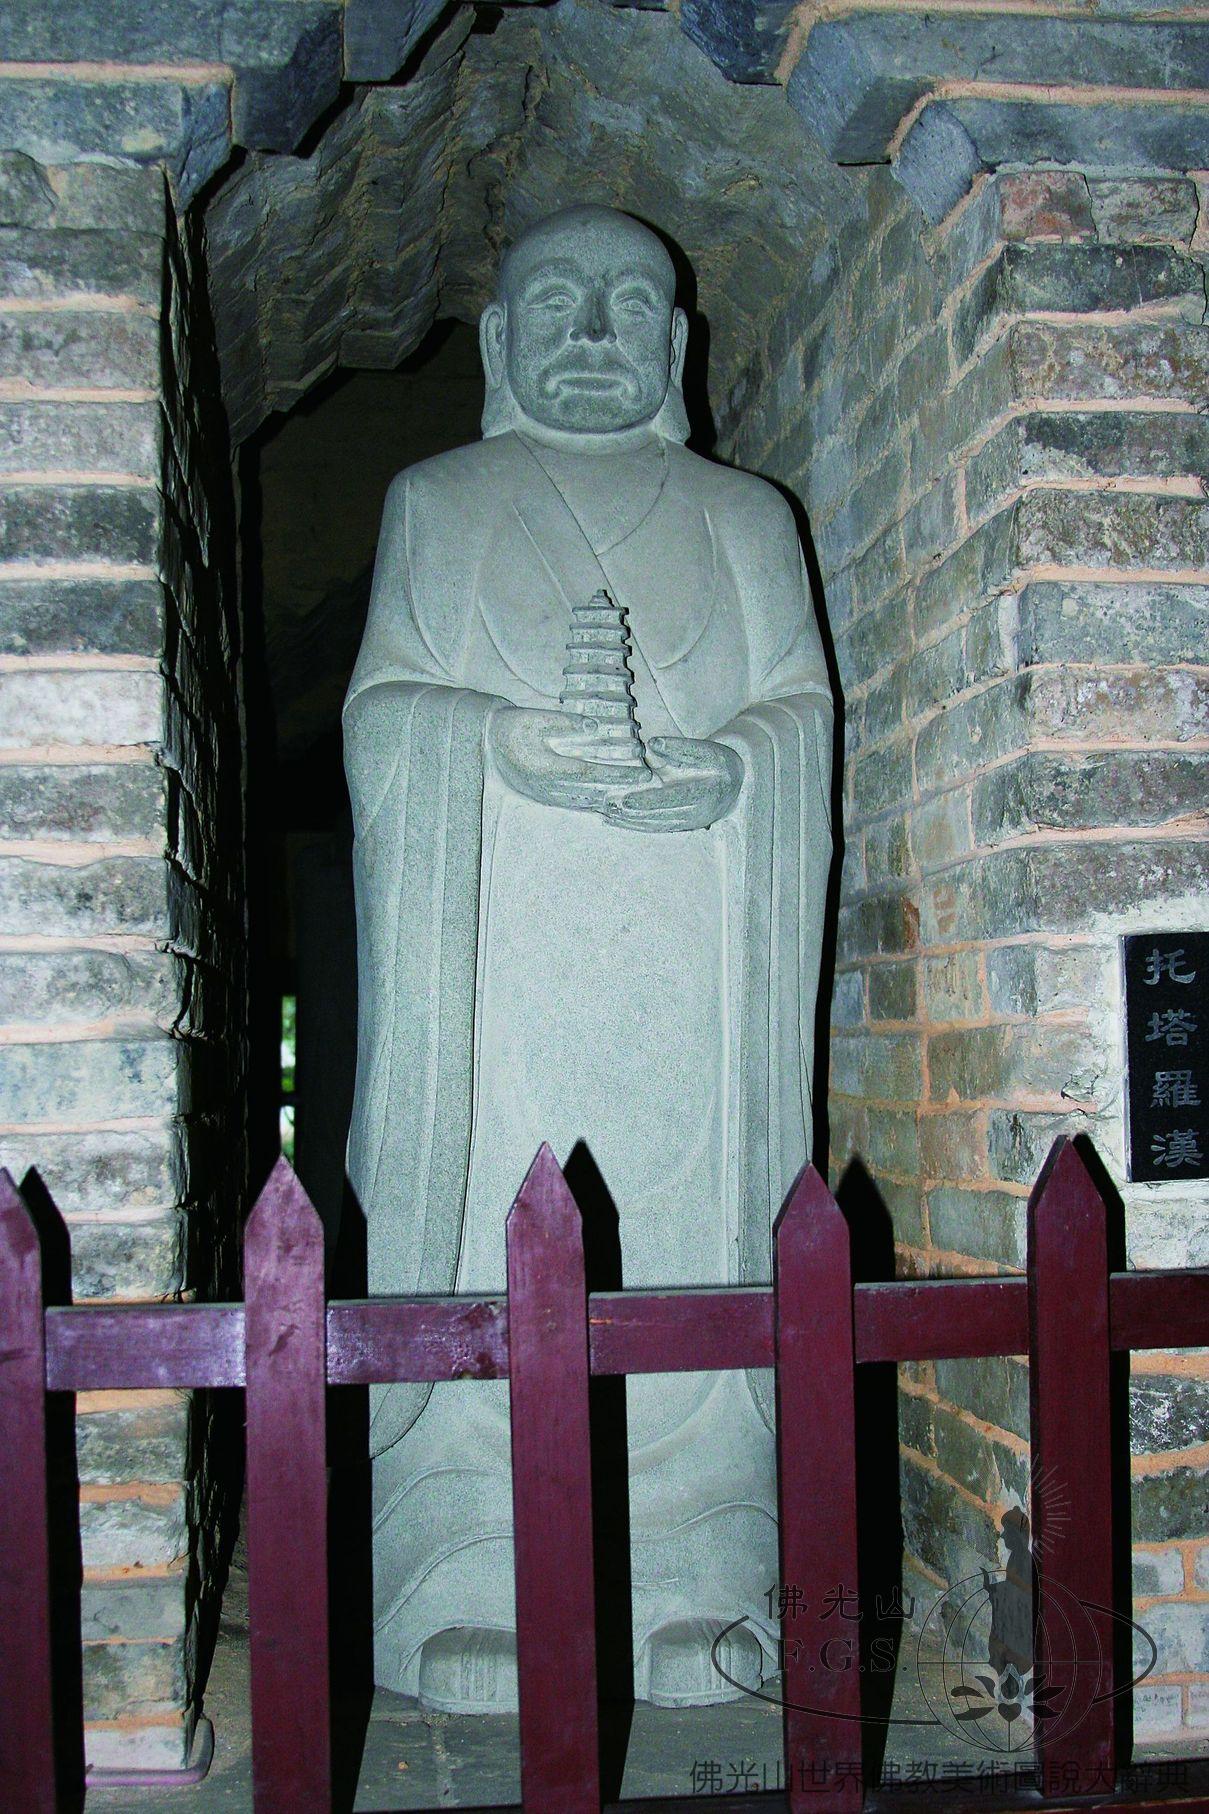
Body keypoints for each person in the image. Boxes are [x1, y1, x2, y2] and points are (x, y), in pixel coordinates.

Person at [344, 203, 833, 1712]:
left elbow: (801, 714)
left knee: (686, 1231)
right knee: (500, 1221)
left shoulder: (744, 517)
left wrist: (735, 779)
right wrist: (498, 742)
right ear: (497, 341)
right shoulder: (436, 501)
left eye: (632, 307)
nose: (597, 337)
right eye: (558, 304)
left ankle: (700, 1566)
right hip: (501, 980)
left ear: (677, 346)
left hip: (682, 973)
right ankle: (466, 1562)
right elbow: (378, 715)